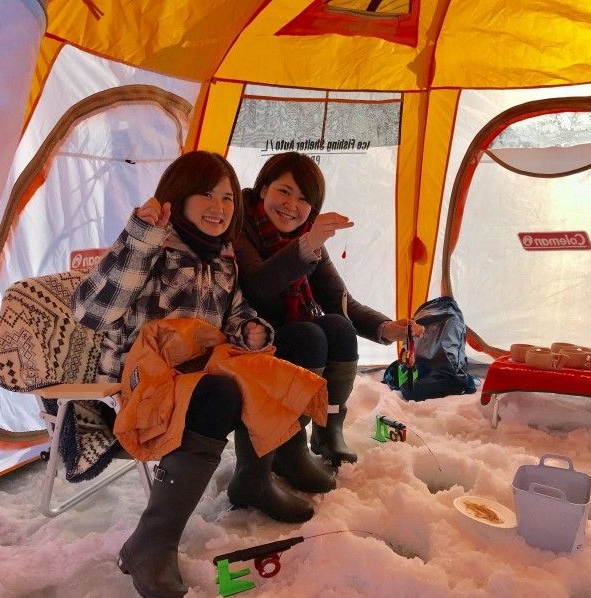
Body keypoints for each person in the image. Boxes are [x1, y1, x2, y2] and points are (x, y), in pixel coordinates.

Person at [71, 151, 321, 598]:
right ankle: (153, 542)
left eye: (227, 197)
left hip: (198, 377)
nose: (219, 207)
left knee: (286, 362)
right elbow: (92, 311)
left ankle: (255, 479)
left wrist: (252, 332)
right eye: (205, 194)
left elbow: (238, 315)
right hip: (142, 386)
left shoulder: (224, 257)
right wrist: (140, 237)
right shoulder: (151, 246)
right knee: (220, 393)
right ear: (178, 197)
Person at [234, 152, 424, 479]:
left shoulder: (306, 238)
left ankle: (327, 427)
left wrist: (385, 327)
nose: (292, 205)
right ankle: (287, 444)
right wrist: (307, 245)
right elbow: (258, 285)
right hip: (248, 337)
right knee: (310, 335)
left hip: (289, 338)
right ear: (263, 189)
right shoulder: (241, 226)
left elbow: (340, 301)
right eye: (284, 191)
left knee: (337, 327)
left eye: (304, 199)